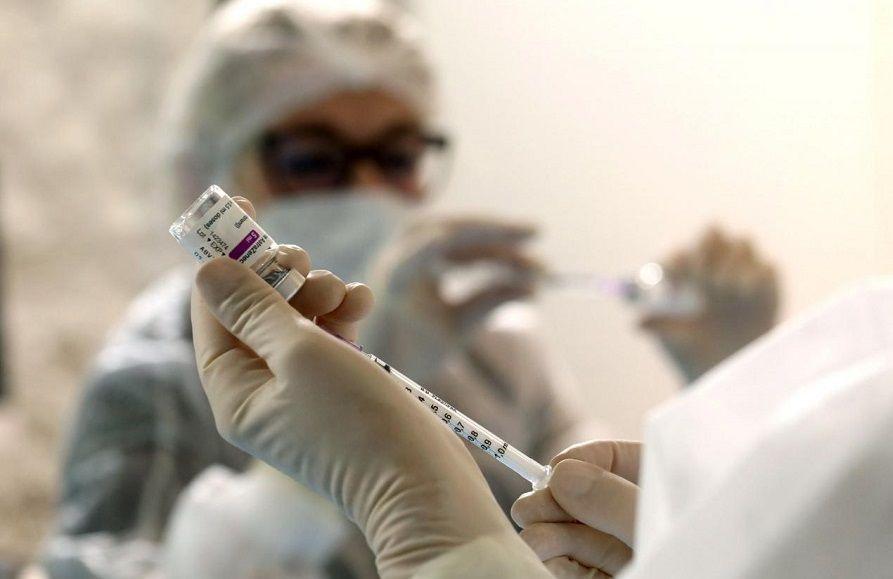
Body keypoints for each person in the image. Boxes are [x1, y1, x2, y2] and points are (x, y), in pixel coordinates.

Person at [192, 234, 893, 579]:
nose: (365, 184)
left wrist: (427, 520)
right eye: (308, 157)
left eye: (400, 154)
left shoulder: (511, 360)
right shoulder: (157, 388)